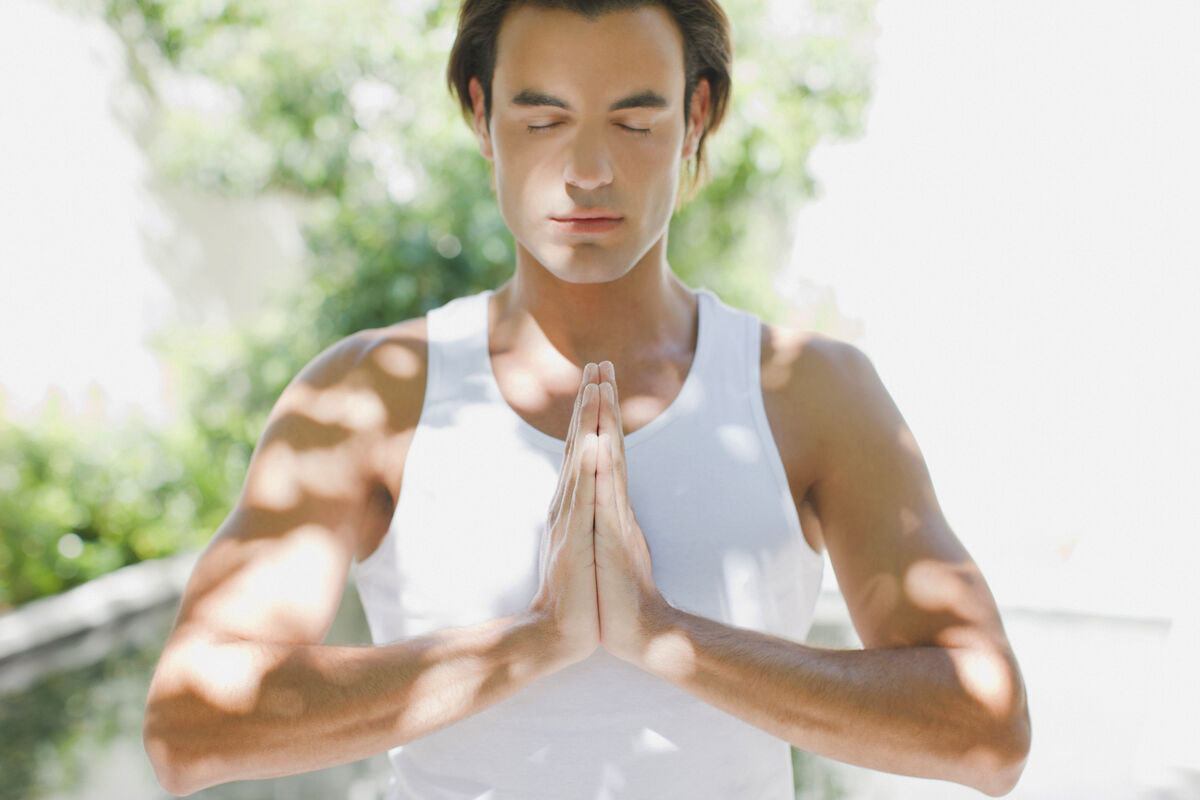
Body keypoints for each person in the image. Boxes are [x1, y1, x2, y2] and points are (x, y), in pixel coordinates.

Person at [143, 1, 1031, 797]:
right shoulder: (372, 397)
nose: (589, 170)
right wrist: (534, 641)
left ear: (698, 116)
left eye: (635, 120)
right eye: (544, 117)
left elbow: (986, 732)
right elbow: (188, 730)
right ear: (483, 115)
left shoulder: (807, 393)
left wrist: (663, 636)